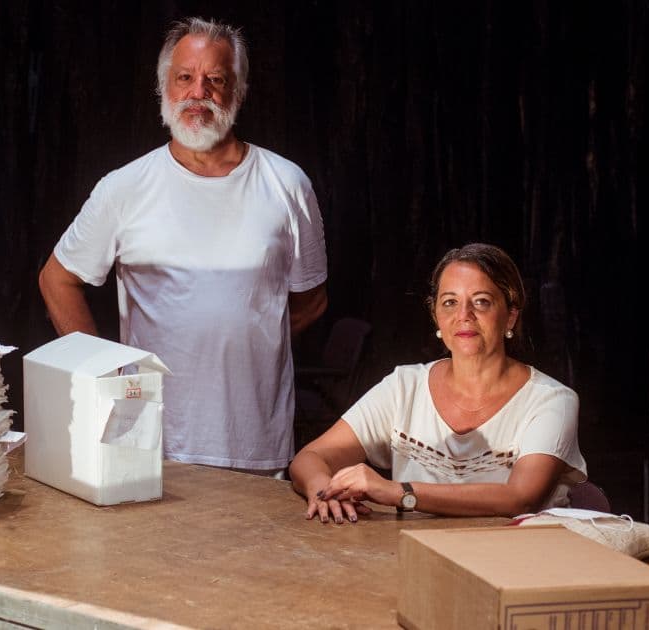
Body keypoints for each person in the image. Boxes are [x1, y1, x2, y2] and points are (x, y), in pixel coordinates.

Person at [39, 17, 328, 474]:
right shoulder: (125, 187)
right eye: (185, 78)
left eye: (216, 79)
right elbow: (57, 278)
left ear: (239, 90)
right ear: (164, 89)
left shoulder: (288, 183)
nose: (199, 93)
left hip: (255, 442)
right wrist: (101, 370)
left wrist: (247, 340)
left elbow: (311, 300)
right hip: (152, 442)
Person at [290, 243, 587, 523]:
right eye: (450, 303)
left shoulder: (552, 400)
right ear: (436, 318)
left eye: (481, 302)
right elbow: (311, 457)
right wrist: (324, 490)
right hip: (416, 561)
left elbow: (520, 498)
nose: (464, 316)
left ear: (510, 316)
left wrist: (399, 492)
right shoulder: (404, 387)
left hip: (518, 566)